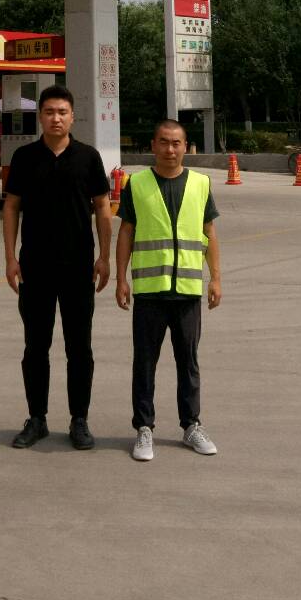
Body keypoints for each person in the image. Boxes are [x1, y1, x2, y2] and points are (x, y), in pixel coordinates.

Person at [2, 85, 112, 450]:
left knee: (79, 347)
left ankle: (79, 419)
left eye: (62, 112)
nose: (56, 118)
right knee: (36, 346)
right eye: (49, 112)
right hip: (35, 266)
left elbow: (103, 208)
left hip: (78, 267)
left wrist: (104, 257)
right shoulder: (25, 157)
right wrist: (10, 258)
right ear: (40, 117)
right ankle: (37, 419)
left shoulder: (88, 157)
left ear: (72, 117)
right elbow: (11, 207)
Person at [115, 119, 222, 461]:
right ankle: (144, 428)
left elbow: (209, 232)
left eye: (176, 143)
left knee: (188, 362)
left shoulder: (201, 184)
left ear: (185, 147)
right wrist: (121, 278)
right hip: (150, 292)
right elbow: (126, 232)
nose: (170, 149)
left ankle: (191, 425)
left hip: (188, 291)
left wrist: (215, 278)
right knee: (145, 362)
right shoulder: (137, 183)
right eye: (164, 142)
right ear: (153, 145)